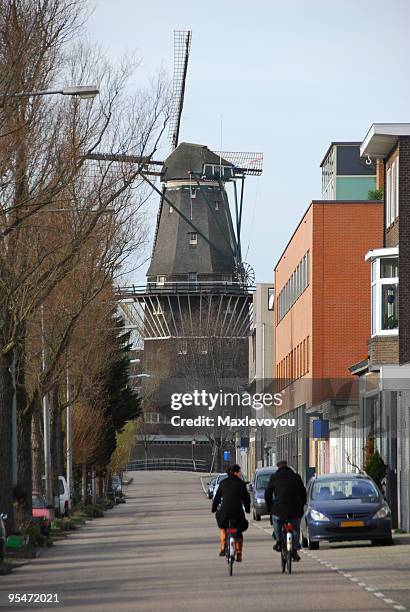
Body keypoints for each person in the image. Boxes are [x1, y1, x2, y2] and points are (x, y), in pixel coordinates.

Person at [264, 460, 307, 562]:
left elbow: (268, 494)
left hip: (279, 509)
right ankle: (295, 548)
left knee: (276, 522)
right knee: (296, 528)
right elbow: (303, 493)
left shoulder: (274, 477)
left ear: (278, 468)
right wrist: (302, 504)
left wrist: (269, 507)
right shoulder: (296, 477)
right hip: (295, 509)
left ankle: (279, 541)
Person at [211, 464, 250, 562]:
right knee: (239, 531)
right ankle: (239, 553)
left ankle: (223, 546)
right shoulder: (241, 484)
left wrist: (214, 508)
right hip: (237, 512)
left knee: (223, 526)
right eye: (240, 472)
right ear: (236, 473)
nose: (240, 474)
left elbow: (217, 498)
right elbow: (246, 498)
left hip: (225, 512)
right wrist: (248, 509)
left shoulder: (223, 483)